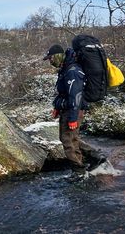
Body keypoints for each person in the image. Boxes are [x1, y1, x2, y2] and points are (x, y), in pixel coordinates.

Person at [43, 45, 107, 178]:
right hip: (68, 109)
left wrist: (72, 118)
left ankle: (79, 172)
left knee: (68, 142)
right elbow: (64, 93)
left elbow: (75, 95)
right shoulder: (65, 69)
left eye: (51, 58)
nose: (50, 62)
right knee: (70, 138)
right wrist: (57, 107)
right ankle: (95, 156)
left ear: (58, 56)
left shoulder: (72, 71)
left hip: (73, 111)